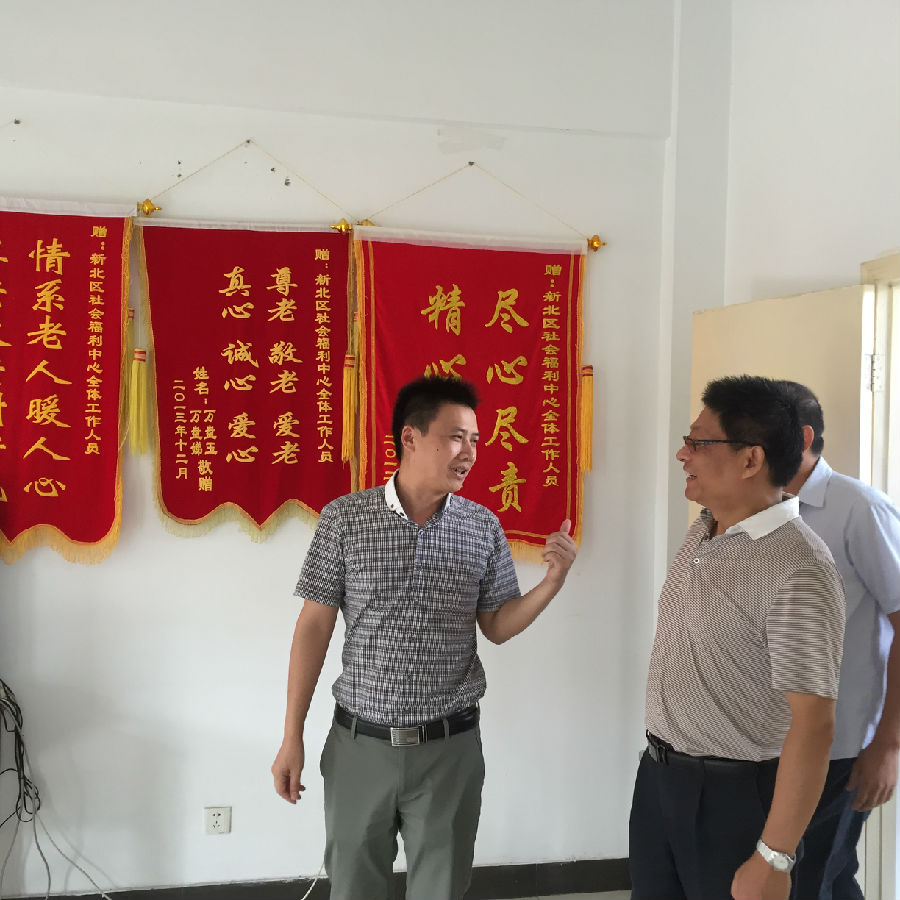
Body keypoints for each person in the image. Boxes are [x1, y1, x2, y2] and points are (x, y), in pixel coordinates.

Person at [270, 375, 577, 900]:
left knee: (441, 890)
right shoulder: (346, 519)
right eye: (456, 437)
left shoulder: (482, 526)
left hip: (449, 750)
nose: (469, 453)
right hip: (360, 745)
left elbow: (497, 626)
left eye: (475, 440)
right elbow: (314, 626)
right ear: (410, 438)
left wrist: (551, 583)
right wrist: (291, 734)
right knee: (353, 888)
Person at [629, 374, 845, 900]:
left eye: (699, 442)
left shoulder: (798, 568)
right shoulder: (705, 529)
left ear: (751, 459)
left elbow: (814, 724)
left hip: (735, 799)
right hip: (660, 779)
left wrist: (774, 856)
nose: (683, 453)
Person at [779, 380, 900, 900]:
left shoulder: (858, 508)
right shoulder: (754, 509)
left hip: (840, 745)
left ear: (802, 437)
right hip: (767, 742)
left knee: (816, 880)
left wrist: (888, 745)